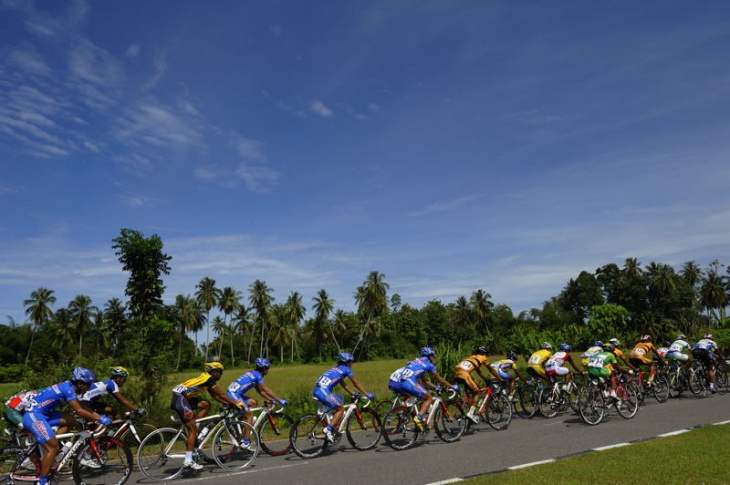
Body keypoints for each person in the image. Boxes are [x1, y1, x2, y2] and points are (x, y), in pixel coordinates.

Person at [22, 368, 112, 485]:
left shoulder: (69, 387)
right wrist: (100, 418)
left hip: (44, 413)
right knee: (52, 448)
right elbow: (79, 410)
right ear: (79, 383)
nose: (89, 387)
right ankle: (42, 481)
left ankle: (53, 445)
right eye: (88, 384)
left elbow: (81, 407)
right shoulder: (68, 389)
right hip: (34, 415)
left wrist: (97, 416)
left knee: (71, 420)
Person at [170, 362, 246, 471]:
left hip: (181, 398)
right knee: (192, 430)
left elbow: (215, 396)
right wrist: (235, 403)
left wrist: (226, 404)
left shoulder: (206, 379)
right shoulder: (209, 379)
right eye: (220, 372)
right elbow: (221, 394)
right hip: (180, 399)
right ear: (215, 372)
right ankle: (188, 460)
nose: (221, 375)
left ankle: (192, 420)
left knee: (205, 404)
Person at [226, 358, 287, 449]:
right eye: (267, 368)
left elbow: (261, 391)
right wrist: (279, 400)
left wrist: (271, 400)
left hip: (233, 393)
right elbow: (266, 390)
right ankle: (245, 442)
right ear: (264, 369)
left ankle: (242, 425)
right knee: (249, 416)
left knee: (253, 402)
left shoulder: (253, 373)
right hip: (234, 395)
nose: (268, 370)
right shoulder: (258, 376)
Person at [313, 352, 374, 443]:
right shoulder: (346, 369)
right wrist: (366, 394)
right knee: (341, 408)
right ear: (348, 362)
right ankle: (328, 430)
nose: (353, 363)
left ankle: (333, 429)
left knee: (336, 408)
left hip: (318, 390)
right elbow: (356, 383)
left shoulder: (336, 369)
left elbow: (343, 384)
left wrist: (353, 393)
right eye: (352, 362)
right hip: (323, 391)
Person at [398, 347, 458, 431]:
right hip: (409, 382)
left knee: (420, 399)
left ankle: (411, 415)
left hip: (401, 382)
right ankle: (418, 418)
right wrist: (451, 386)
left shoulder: (417, 361)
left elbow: (425, 381)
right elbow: (440, 379)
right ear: (429, 356)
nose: (434, 358)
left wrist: (436, 387)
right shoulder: (429, 364)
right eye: (433, 356)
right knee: (429, 398)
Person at [454, 346, 503, 423]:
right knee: (477, 392)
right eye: (486, 354)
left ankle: (467, 408)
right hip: (465, 374)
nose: (486, 356)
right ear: (484, 353)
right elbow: (491, 370)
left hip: (457, 374)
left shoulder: (472, 357)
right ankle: (471, 413)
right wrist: (500, 379)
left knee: (477, 386)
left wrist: (485, 379)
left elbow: (479, 372)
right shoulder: (483, 358)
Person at [78, 366, 145, 419]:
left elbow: (121, 400)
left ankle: (100, 430)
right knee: (113, 411)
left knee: (111, 409)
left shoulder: (108, 382)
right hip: (85, 402)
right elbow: (123, 400)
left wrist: (132, 407)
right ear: (118, 378)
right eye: (124, 379)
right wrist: (137, 409)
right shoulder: (112, 384)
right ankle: (103, 433)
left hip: (84, 401)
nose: (124, 381)